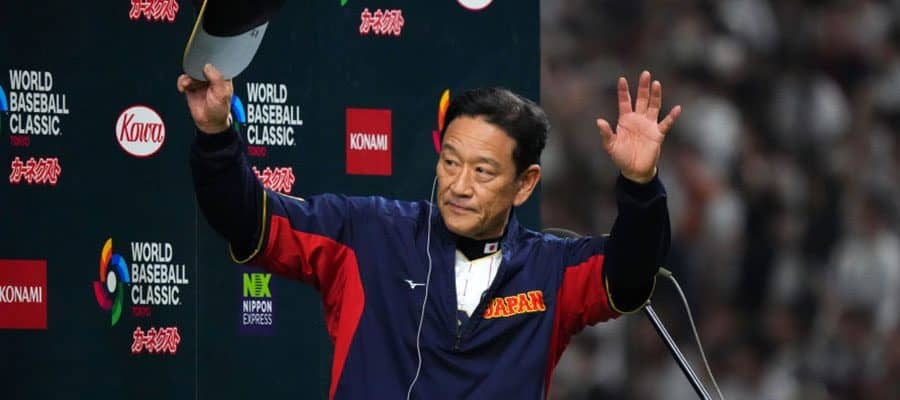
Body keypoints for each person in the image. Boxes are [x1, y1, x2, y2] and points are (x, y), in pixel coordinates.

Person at [178, 64, 681, 399]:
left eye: (482, 171)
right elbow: (250, 220)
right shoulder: (367, 234)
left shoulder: (553, 271)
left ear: (525, 184)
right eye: (450, 162)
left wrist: (640, 186)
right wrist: (216, 136)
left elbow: (630, 274)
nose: (459, 185)